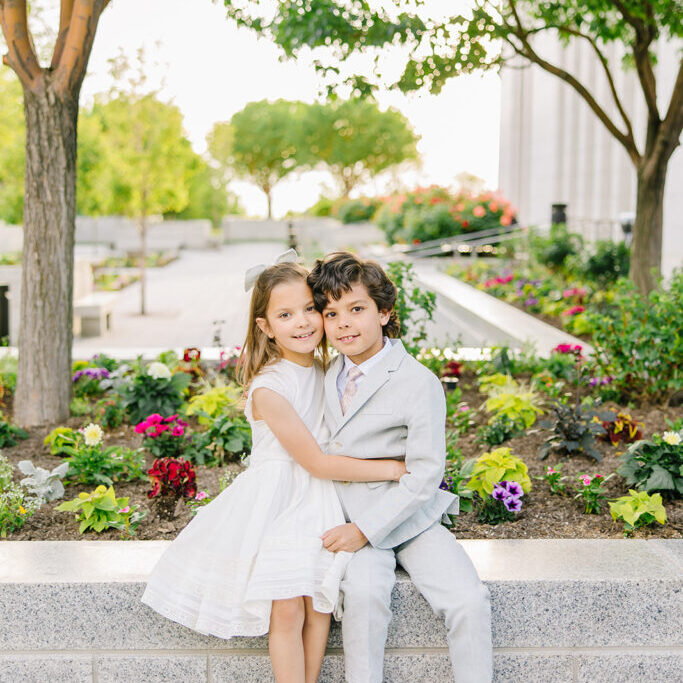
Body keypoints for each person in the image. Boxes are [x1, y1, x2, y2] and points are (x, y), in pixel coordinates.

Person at [141, 252, 407, 683]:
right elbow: (316, 462)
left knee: (318, 605)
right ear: (265, 326)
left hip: (321, 500)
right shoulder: (269, 388)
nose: (302, 323)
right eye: (285, 314)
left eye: (309, 310)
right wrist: (393, 469)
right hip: (281, 501)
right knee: (287, 603)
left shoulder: (330, 370)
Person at [308, 251, 494, 683]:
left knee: (468, 600)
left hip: (409, 518)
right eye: (331, 313)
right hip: (345, 514)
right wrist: (354, 531)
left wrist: (365, 530)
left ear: (385, 312)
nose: (344, 324)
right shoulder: (323, 375)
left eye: (357, 309)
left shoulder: (417, 381)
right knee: (364, 597)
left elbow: (425, 474)